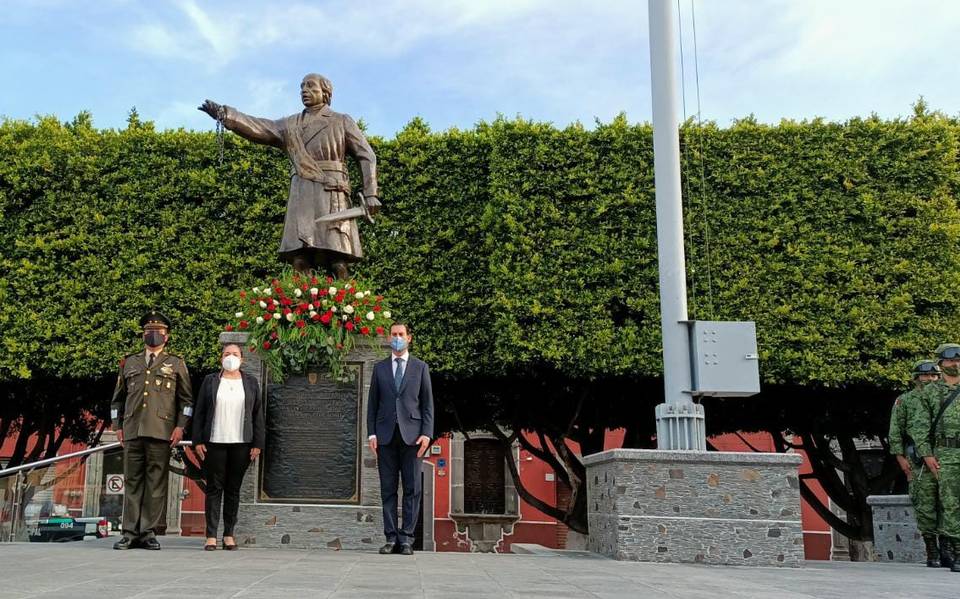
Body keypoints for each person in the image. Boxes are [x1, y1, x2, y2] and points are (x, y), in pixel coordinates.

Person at [198, 73, 380, 278]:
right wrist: (227, 115)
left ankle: (346, 305)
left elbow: (366, 155)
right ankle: (297, 303)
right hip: (301, 192)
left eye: (311, 87)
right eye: (302, 87)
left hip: (331, 192)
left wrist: (371, 192)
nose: (304, 90)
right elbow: (259, 127)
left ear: (326, 92)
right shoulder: (289, 125)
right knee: (299, 258)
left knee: (337, 258)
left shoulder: (341, 120)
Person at [110, 311, 193, 550]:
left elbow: (187, 401)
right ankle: (129, 533)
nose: (153, 335)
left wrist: (180, 427)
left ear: (166, 337)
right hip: (133, 431)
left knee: (156, 483)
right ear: (143, 335)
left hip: (161, 432)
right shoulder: (130, 362)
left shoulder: (176, 363)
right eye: (149, 332)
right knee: (132, 481)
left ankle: (147, 532)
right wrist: (117, 426)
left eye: (158, 332)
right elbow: (117, 400)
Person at [366, 322, 434, 555]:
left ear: (409, 338)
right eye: (394, 335)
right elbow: (372, 403)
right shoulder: (380, 368)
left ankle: (406, 539)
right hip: (385, 437)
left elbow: (427, 405)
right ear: (389, 338)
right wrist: (372, 433)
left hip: (413, 438)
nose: (397, 338)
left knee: (413, 489)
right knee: (388, 489)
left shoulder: (420, 367)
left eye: (401, 335)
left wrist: (426, 433)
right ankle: (390, 538)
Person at [191, 343, 265, 550]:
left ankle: (229, 534)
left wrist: (258, 443)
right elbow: (200, 413)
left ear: (242, 359)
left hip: (242, 443)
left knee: (233, 489)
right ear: (220, 358)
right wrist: (197, 441)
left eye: (235, 354)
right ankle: (211, 535)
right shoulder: (210, 381)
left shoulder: (250, 382)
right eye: (226, 354)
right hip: (214, 441)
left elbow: (257, 414)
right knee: (214, 488)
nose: (230, 357)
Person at [888, 360, 945, 567]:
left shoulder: (945, 398)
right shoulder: (905, 401)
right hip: (918, 461)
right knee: (925, 506)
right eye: (925, 375)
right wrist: (902, 460)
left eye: (934, 376)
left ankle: (948, 548)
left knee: (948, 505)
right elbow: (895, 432)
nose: (930, 379)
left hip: (945, 458)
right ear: (915, 378)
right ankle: (932, 549)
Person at [911, 343, 960, 572]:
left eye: (958, 360)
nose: (955, 364)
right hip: (945, 454)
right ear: (941, 363)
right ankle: (957, 552)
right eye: (950, 361)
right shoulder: (929, 392)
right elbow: (919, 427)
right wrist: (927, 455)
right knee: (950, 504)